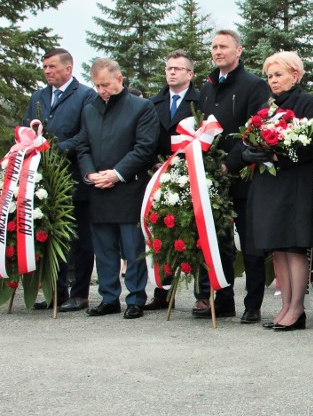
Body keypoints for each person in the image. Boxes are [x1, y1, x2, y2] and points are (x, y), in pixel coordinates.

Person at [242, 52, 313, 331]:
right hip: (271, 184)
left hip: (295, 183)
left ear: (295, 75)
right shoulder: (269, 106)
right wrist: (252, 151)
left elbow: (312, 145)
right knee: (278, 246)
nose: (273, 80)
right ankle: (285, 305)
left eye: (278, 74)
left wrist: (278, 157)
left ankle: (297, 310)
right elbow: (253, 137)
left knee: (293, 245)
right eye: (270, 76)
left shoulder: (307, 102)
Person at [197, 29, 271, 322]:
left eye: (223, 46)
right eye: (214, 47)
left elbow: (255, 130)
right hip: (212, 177)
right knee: (218, 239)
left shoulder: (254, 85)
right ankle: (223, 298)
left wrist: (230, 162)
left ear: (238, 51)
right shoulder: (207, 86)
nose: (217, 51)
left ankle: (252, 304)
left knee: (250, 242)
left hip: (243, 176)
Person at [77, 58, 159, 319]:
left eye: (105, 84)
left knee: (133, 248)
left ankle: (135, 297)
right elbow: (83, 145)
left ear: (120, 79)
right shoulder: (90, 110)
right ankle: (108, 297)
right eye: (97, 85)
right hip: (98, 188)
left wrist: (116, 174)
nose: (101, 90)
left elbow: (144, 148)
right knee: (104, 249)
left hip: (128, 188)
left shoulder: (141, 107)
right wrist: (90, 173)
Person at [22, 48, 97, 312]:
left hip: (74, 178)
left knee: (80, 239)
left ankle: (79, 295)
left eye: (52, 66)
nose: (47, 71)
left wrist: (57, 149)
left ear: (68, 68)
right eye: (44, 67)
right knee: (52, 236)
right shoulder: (38, 96)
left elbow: (87, 133)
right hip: (44, 181)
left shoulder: (86, 95)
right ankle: (57, 292)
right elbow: (25, 129)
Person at [143, 50, 200, 311]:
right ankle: (162, 291)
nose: (172, 72)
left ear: (190, 73)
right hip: (159, 173)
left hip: (192, 174)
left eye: (178, 68)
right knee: (161, 230)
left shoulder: (200, 101)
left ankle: (203, 294)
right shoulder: (153, 103)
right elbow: (145, 138)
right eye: (168, 68)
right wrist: (155, 162)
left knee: (195, 233)